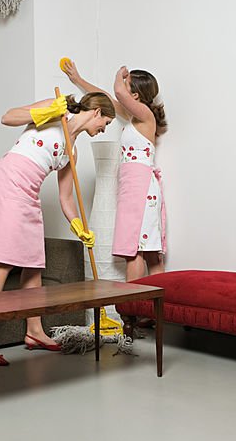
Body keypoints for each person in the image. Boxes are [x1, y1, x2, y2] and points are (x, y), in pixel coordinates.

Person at [0, 91, 116, 364]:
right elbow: (7, 117)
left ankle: (34, 331)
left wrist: (78, 225)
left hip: (29, 194)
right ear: (96, 112)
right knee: (2, 262)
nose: (103, 129)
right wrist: (45, 112)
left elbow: (65, 198)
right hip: (9, 184)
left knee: (34, 264)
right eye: (105, 122)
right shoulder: (55, 111)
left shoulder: (73, 150)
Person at [62, 61, 168, 280]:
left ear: (136, 95)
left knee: (139, 250)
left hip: (141, 187)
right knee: (139, 249)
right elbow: (108, 98)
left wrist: (120, 74)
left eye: (128, 85)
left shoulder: (145, 115)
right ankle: (142, 309)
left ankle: (138, 308)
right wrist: (78, 80)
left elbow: (118, 92)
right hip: (132, 186)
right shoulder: (133, 118)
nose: (121, 87)